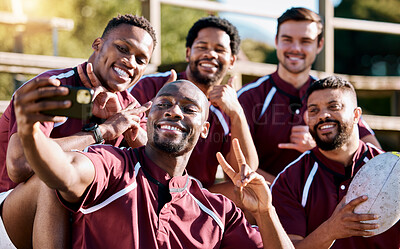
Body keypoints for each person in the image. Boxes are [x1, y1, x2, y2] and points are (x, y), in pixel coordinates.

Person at [8, 79, 294, 249]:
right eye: (163, 104)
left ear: (205, 129)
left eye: (188, 108)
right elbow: (64, 170)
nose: (174, 111)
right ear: (149, 117)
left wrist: (266, 212)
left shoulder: (217, 211)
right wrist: (30, 130)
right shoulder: (113, 166)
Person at [0, 14, 156, 248]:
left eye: (141, 59)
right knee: (54, 176)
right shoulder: (54, 86)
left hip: (78, 213)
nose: (130, 62)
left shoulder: (129, 107)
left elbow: (158, 172)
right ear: (97, 44)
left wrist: (134, 135)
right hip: (13, 211)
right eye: (123, 48)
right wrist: (101, 131)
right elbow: (19, 166)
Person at [237, 7, 380, 183]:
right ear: (276, 41)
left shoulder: (333, 94)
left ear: (319, 44)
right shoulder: (250, 96)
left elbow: (375, 155)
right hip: (266, 200)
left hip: (330, 200)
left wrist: (322, 148)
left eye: (306, 41)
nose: (296, 48)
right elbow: (237, 162)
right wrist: (282, 193)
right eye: (287, 39)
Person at [271, 76, 399, 248]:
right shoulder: (289, 180)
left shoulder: (392, 172)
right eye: (314, 110)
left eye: (334, 107)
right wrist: (331, 230)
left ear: (356, 115)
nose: (323, 115)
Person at [130, 16, 258, 188]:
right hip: (141, 182)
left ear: (232, 60)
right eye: (202, 46)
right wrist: (158, 107)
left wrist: (237, 114)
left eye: (219, 49)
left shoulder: (227, 107)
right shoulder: (152, 85)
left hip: (193, 197)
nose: (210, 53)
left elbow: (245, 171)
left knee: (249, 189)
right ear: (188, 52)